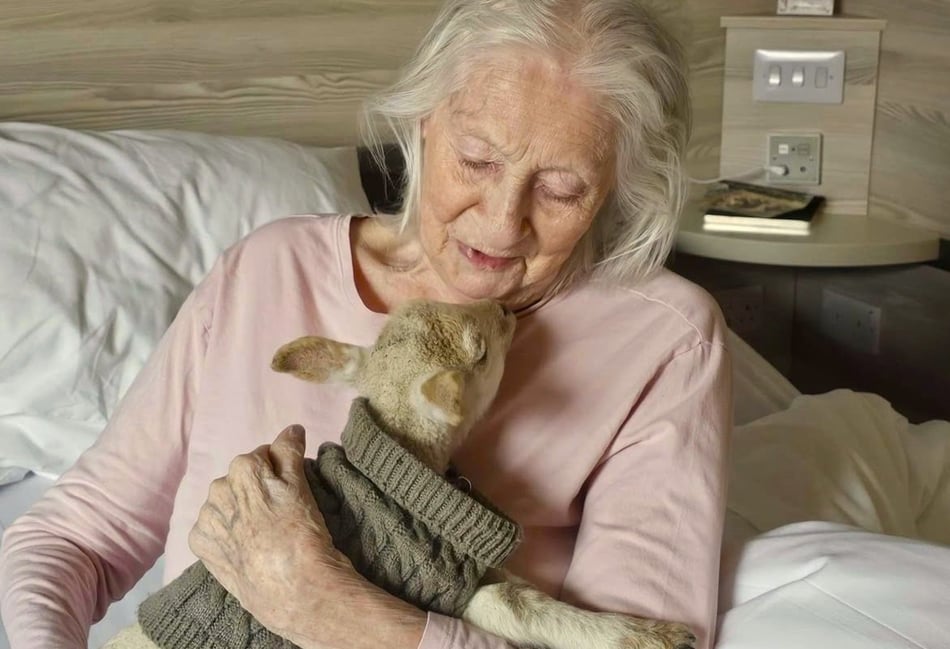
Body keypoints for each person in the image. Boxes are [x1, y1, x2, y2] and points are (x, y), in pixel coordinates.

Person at [0, 1, 732, 648]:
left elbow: (647, 643)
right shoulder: (268, 270)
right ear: (422, 122)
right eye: (476, 159)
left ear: (616, 187)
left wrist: (324, 604)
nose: (501, 220)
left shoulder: (664, 340)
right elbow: (71, 538)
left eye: (561, 188)